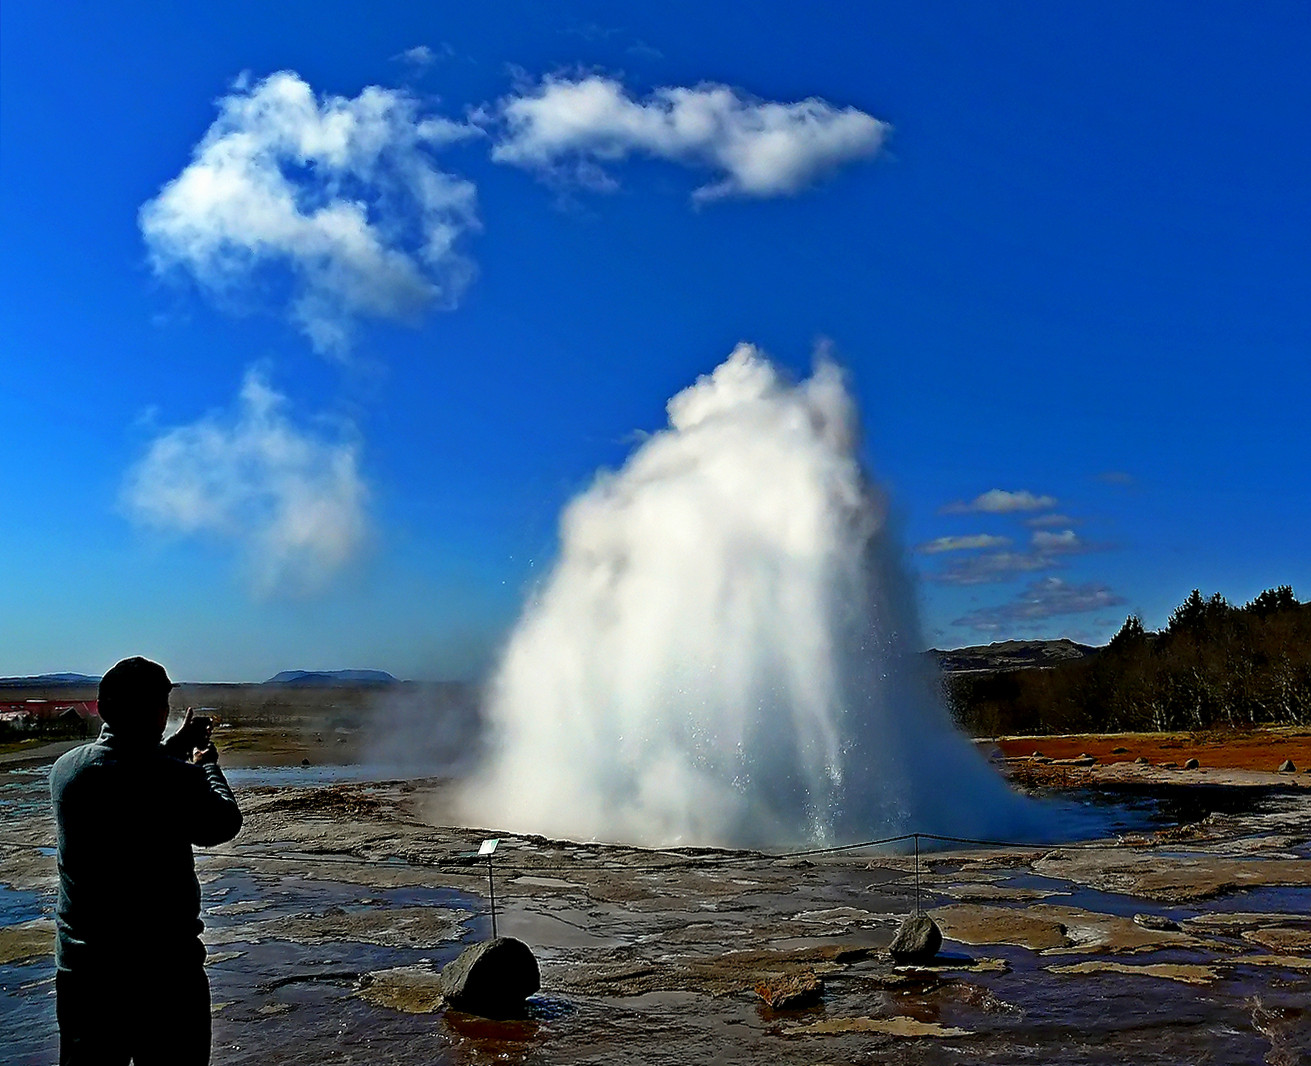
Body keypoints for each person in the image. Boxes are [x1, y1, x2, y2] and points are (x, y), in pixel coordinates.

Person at [50, 656, 242, 1065]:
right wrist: (206, 767)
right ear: (160, 711)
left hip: (86, 977)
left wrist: (174, 746)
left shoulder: (66, 771)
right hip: (165, 978)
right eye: (161, 705)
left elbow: (134, 770)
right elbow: (224, 822)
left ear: (102, 708)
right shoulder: (173, 780)